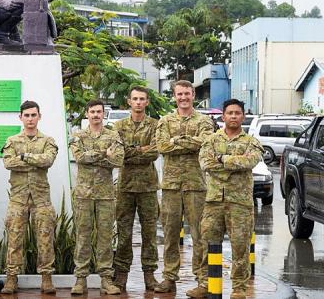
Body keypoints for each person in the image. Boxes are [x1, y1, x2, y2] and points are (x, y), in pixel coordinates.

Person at [154, 80, 215, 297]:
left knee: (200, 234)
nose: (183, 98)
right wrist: (189, 142)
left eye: (187, 94)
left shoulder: (204, 121)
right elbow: (162, 146)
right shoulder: (165, 121)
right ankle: (169, 277)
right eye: (179, 94)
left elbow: (206, 143)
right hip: (170, 186)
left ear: (193, 95)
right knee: (170, 234)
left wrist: (177, 141)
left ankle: (203, 280)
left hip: (196, 186)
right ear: (174, 96)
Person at [199, 99, 262, 299]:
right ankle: (205, 283)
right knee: (208, 243)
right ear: (223, 116)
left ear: (243, 116)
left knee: (240, 246)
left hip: (240, 202)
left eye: (237, 113)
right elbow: (205, 163)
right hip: (214, 200)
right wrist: (234, 164)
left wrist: (222, 159)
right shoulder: (211, 140)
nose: (233, 116)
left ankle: (239, 288)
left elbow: (250, 161)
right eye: (229, 113)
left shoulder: (251, 142)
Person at [1, 100, 58, 294]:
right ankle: (11, 279)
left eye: (34, 115)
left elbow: (48, 160)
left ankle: (46, 278)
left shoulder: (48, 141)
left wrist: (24, 157)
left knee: (45, 239)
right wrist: (35, 160)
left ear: (39, 116)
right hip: (18, 199)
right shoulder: (12, 140)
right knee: (15, 239)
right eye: (27, 115)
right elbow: (8, 163)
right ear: (21, 117)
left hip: (41, 199)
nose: (30, 119)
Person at [69, 99, 124, 295]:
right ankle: (80, 279)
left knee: (105, 237)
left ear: (104, 114)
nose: (95, 115)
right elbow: (79, 158)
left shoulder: (112, 135)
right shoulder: (78, 136)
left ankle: (106, 279)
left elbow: (117, 160)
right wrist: (104, 154)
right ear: (87, 114)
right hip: (84, 195)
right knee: (82, 236)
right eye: (92, 112)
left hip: (105, 195)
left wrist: (95, 156)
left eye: (99, 112)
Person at [112, 86, 160, 291]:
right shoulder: (118, 126)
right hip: (125, 187)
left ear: (147, 102)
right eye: (135, 99)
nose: (138, 102)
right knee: (124, 232)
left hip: (148, 187)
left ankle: (149, 274)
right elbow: (117, 153)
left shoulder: (155, 125)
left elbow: (155, 152)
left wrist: (131, 151)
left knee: (150, 233)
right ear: (129, 101)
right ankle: (121, 274)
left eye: (142, 99)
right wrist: (140, 150)